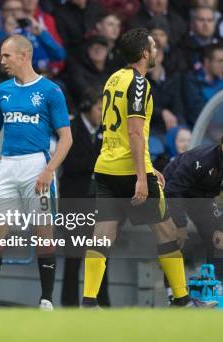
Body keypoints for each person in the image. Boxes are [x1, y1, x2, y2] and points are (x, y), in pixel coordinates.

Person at [81, 28, 216, 308]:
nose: (155, 52)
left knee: (103, 234)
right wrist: (142, 176)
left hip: (106, 167)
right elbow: (134, 132)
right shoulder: (139, 83)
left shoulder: (113, 79)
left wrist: (147, 167)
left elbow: (114, 131)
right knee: (167, 233)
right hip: (130, 172)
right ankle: (182, 300)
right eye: (153, 47)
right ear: (144, 53)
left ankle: (89, 300)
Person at [0, 34, 73, 310]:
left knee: (44, 234)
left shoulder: (51, 91)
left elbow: (66, 138)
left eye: (7, 55)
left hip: (36, 166)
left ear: (24, 56)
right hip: (7, 167)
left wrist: (50, 170)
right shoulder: (1, 91)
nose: (1, 60)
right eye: (1, 55)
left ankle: (46, 300)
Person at [59, 88, 110, 307]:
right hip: (74, 203)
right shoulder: (70, 129)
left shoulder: (106, 131)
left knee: (101, 256)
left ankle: (102, 303)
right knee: (73, 258)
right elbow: (69, 164)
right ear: (88, 107)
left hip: (98, 203)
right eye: (100, 108)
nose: (102, 113)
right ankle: (69, 304)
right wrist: (98, 163)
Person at [164, 138, 223, 281]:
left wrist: (221, 227)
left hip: (202, 197)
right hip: (172, 192)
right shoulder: (201, 159)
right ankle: (173, 294)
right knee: (174, 238)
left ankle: (216, 287)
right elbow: (172, 191)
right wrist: (180, 224)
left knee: (217, 241)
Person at [183, 43, 223, 127]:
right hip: (201, 131)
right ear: (207, 62)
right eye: (219, 61)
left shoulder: (220, 80)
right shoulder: (192, 80)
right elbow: (195, 112)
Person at [182, 6, 220, 71]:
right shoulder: (181, 48)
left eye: (210, 20)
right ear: (192, 24)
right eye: (201, 20)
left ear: (214, 24)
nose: (206, 24)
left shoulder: (221, 46)